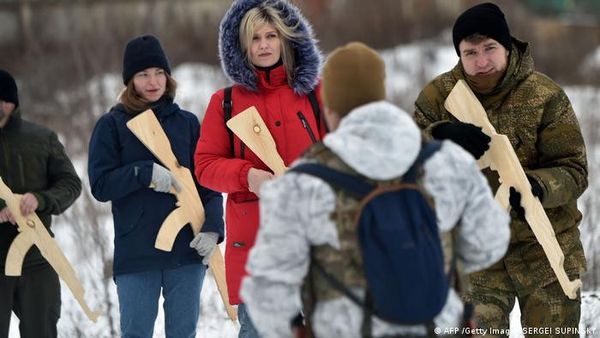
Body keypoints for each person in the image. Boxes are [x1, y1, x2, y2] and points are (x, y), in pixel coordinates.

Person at [240, 42, 510, 338]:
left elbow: (267, 289)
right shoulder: (447, 161)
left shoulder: (302, 183)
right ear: (381, 96)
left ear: (329, 108)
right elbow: (489, 243)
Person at [414, 2, 588, 335]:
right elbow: (405, 157)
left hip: (545, 246)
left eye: (490, 48)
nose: (480, 62)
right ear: (459, 55)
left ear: (507, 47)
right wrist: (440, 137)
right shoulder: (439, 97)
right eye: (470, 52)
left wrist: (537, 188)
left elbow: (574, 170)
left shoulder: (546, 96)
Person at [194, 0, 326, 336]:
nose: (264, 45)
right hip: (257, 246)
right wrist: (247, 176)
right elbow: (205, 166)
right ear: (241, 46)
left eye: (271, 35)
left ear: (286, 40)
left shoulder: (315, 94)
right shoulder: (224, 102)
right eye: (255, 38)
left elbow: (345, 153)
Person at [87, 35, 224, 338]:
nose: (153, 81)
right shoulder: (112, 126)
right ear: (130, 81)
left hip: (186, 253)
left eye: (159, 72)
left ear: (168, 76)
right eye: (143, 74)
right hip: (137, 256)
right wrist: (142, 173)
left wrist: (213, 226)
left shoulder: (187, 123)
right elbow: (100, 184)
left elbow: (208, 182)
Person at [0, 69, 82, 338]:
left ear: (15, 101)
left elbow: (70, 184)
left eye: (4, 99)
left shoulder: (41, 139)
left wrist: (40, 199)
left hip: (37, 258)